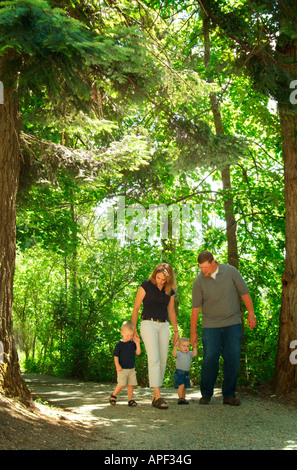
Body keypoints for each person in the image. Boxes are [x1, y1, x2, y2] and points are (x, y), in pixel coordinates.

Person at [190, 251, 257, 406]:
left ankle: (229, 395)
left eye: (205, 267)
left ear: (213, 263)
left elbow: (244, 293)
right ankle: (206, 394)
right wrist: (193, 332)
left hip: (232, 322)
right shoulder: (199, 280)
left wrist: (251, 314)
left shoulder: (230, 272)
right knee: (210, 357)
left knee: (232, 357)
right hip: (210, 325)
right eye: (201, 267)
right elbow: (195, 308)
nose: (203, 271)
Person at [132, 263, 179, 409]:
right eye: (158, 278)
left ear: (168, 279)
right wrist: (133, 330)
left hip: (164, 325)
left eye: (163, 279)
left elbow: (171, 311)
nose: (160, 281)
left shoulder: (170, 290)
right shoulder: (145, 285)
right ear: (155, 275)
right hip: (148, 324)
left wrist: (176, 331)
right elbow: (136, 308)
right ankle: (158, 396)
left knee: (163, 360)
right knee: (154, 359)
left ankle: (155, 396)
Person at [110, 321, 141, 407]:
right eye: (127, 335)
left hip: (131, 368)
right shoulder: (119, 344)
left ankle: (130, 400)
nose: (129, 337)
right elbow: (115, 355)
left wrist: (137, 343)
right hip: (122, 368)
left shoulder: (132, 343)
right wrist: (117, 365)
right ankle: (114, 395)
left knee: (131, 385)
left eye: (131, 335)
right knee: (121, 384)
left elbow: (138, 353)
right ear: (122, 333)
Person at [173, 337, 197, 404]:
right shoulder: (178, 353)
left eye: (187, 346)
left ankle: (183, 398)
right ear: (179, 347)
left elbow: (195, 354)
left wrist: (194, 347)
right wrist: (175, 346)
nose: (186, 348)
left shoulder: (189, 353)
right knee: (181, 385)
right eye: (183, 346)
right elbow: (174, 354)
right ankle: (180, 398)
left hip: (186, 374)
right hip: (179, 373)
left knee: (184, 387)